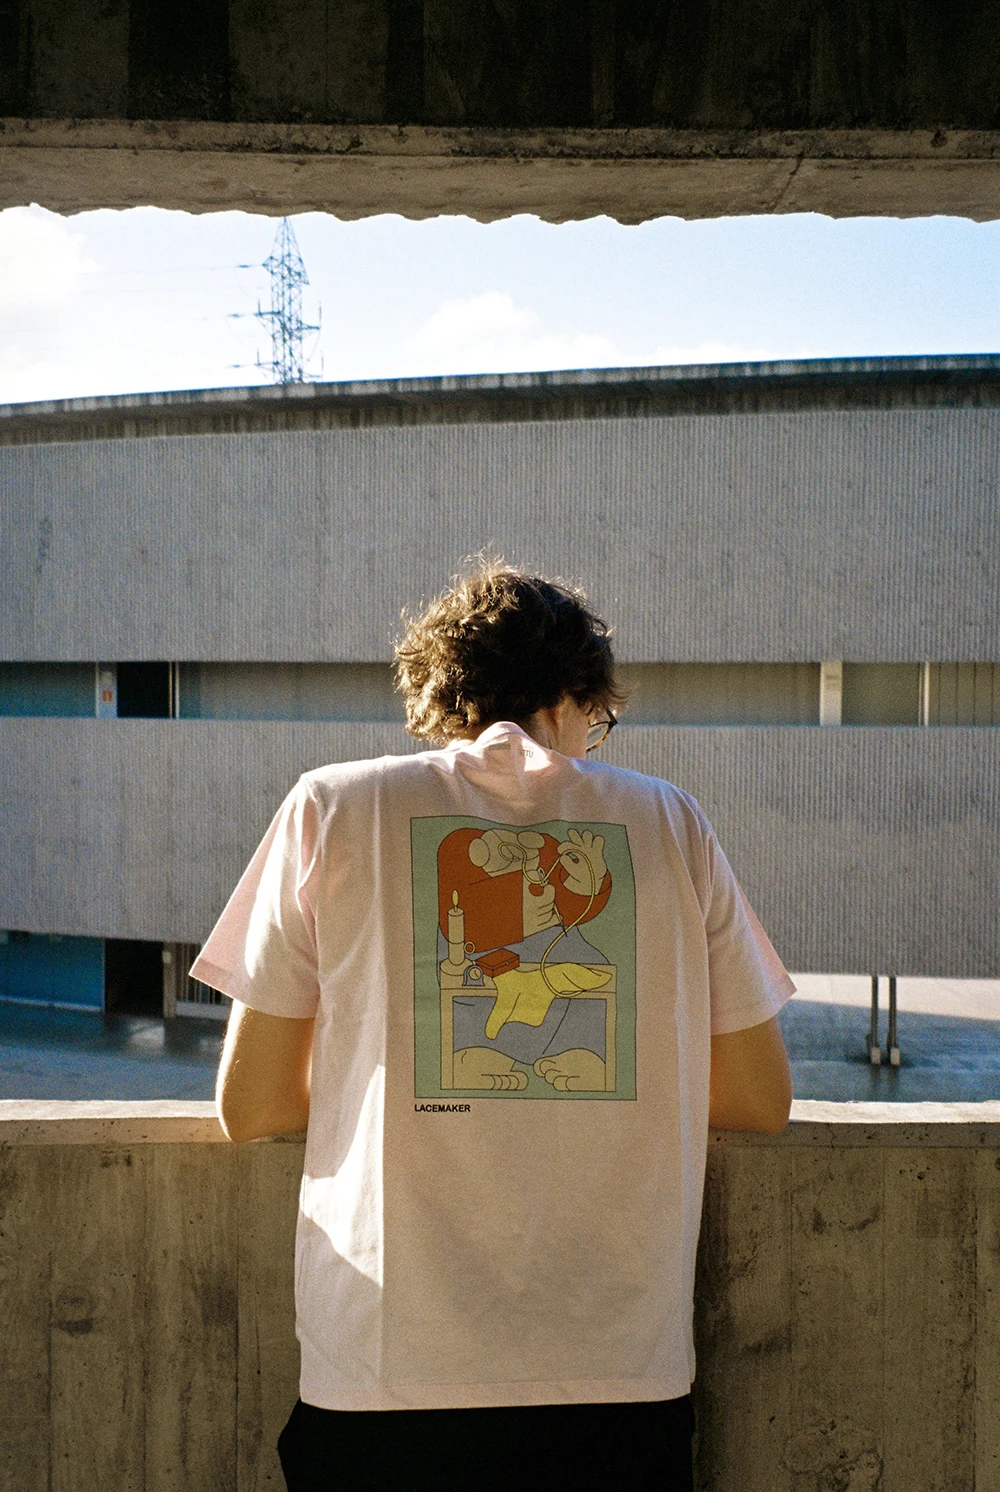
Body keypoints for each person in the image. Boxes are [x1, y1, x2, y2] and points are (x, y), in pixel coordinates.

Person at [192, 561, 794, 1492]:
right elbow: (758, 1098)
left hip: (386, 1374)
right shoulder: (671, 824)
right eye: (595, 721)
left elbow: (252, 1104)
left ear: (437, 697)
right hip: (619, 1376)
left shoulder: (333, 806)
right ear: (579, 697)